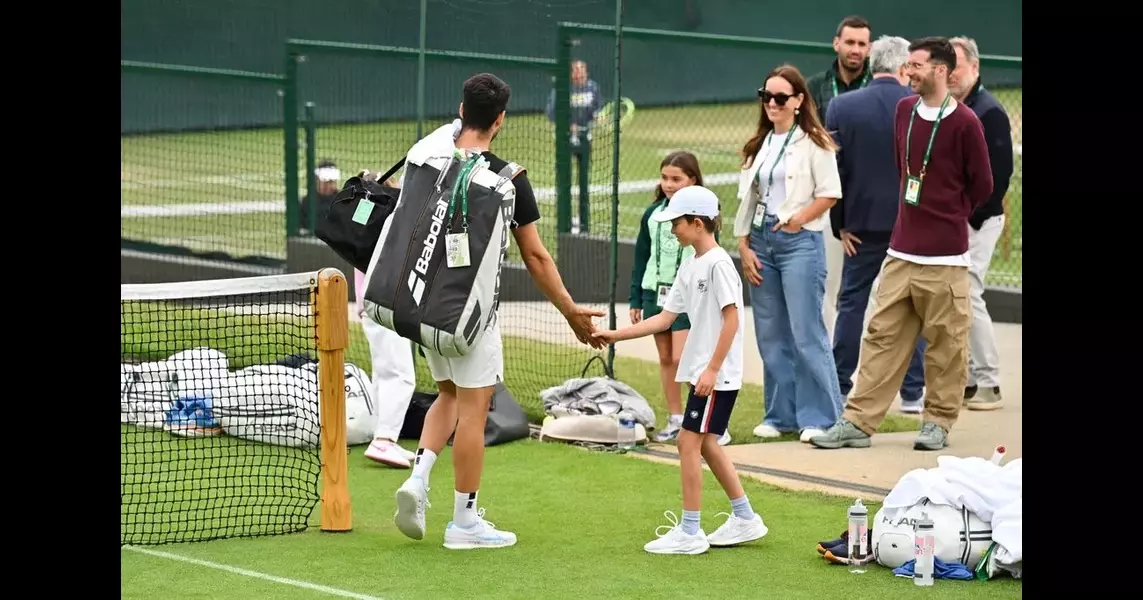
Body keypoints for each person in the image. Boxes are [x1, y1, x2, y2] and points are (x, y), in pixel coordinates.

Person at [393, 73, 606, 550]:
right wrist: (570, 310)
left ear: (460, 109)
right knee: (474, 409)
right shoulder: (508, 178)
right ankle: (464, 522)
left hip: (424, 306)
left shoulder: (427, 157)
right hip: (472, 317)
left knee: (446, 395)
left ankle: (420, 475)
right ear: (502, 120)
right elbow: (536, 256)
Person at [810, 37, 993, 452]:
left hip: (946, 258)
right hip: (901, 252)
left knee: (946, 347)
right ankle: (857, 422)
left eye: (917, 66)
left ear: (941, 71)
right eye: (906, 65)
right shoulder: (904, 111)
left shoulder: (965, 122)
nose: (907, 72)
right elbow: (903, 165)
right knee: (881, 338)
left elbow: (982, 185)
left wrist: (948, 211)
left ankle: (937, 424)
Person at [594, 185, 768, 555]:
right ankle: (745, 517)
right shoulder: (691, 263)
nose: (673, 229)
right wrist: (615, 335)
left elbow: (733, 321)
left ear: (699, 223)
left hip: (714, 377)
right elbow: (665, 318)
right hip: (706, 375)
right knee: (704, 443)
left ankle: (690, 532)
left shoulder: (719, 265)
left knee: (687, 442)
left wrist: (711, 370)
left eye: (677, 223)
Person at [733, 64, 844, 443]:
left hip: (799, 243)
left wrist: (799, 220)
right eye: (766, 96)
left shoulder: (815, 143)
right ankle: (780, 414)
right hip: (761, 242)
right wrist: (744, 245)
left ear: (798, 101)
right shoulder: (758, 145)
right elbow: (748, 201)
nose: (772, 104)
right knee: (770, 332)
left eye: (781, 98)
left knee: (805, 330)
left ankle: (822, 416)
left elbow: (829, 193)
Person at [825, 35, 926, 413]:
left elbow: (834, 172)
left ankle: (839, 383)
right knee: (912, 305)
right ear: (903, 68)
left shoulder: (843, 105)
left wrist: (841, 225)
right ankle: (913, 392)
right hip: (910, 225)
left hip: (861, 226)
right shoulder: (919, 106)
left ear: (872, 65)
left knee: (852, 303)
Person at [629, 151, 729, 446]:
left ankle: (708, 420)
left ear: (693, 180)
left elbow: (711, 257)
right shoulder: (652, 214)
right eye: (664, 178)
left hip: (687, 299)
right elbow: (641, 256)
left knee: (685, 358)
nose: (669, 184)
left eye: (676, 179)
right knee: (665, 358)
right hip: (654, 294)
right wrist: (636, 298)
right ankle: (675, 419)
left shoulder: (701, 218)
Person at [948, 36, 1014, 411]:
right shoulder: (950, 108)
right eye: (947, 66)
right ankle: (970, 379)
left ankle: (988, 380)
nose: (951, 73)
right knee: (955, 296)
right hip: (957, 220)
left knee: (969, 291)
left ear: (975, 67)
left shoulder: (989, 111)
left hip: (979, 220)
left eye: (957, 65)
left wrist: (969, 216)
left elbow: (1000, 175)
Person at [806, 15, 874, 333]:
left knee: (871, 291)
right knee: (826, 286)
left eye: (862, 44)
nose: (855, 50)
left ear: (870, 48)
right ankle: (827, 363)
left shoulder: (877, 87)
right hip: (823, 199)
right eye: (850, 42)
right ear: (837, 44)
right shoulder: (815, 87)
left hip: (866, 200)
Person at [354, 267, 418, 468]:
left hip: (379, 303)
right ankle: (384, 441)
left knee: (383, 373)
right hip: (383, 303)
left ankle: (383, 437)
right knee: (401, 375)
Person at [546, 60, 602, 234]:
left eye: (582, 69)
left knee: (584, 180)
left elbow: (597, 107)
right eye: (576, 70)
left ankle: (585, 223)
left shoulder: (593, 88)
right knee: (565, 180)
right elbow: (551, 112)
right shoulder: (562, 88)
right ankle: (565, 222)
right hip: (565, 139)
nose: (580, 73)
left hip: (585, 138)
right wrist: (567, 124)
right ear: (571, 73)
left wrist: (597, 116)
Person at [299, 159, 340, 235]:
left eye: (332, 181)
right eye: (326, 182)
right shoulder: (307, 202)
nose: (329, 185)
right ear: (317, 180)